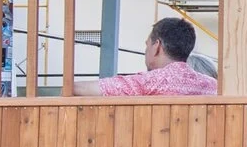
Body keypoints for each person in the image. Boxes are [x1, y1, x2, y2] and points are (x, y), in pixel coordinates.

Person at [73, 16, 219, 97]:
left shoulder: (150, 82)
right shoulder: (213, 86)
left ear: (157, 46)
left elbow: (76, 89)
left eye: (147, 44)